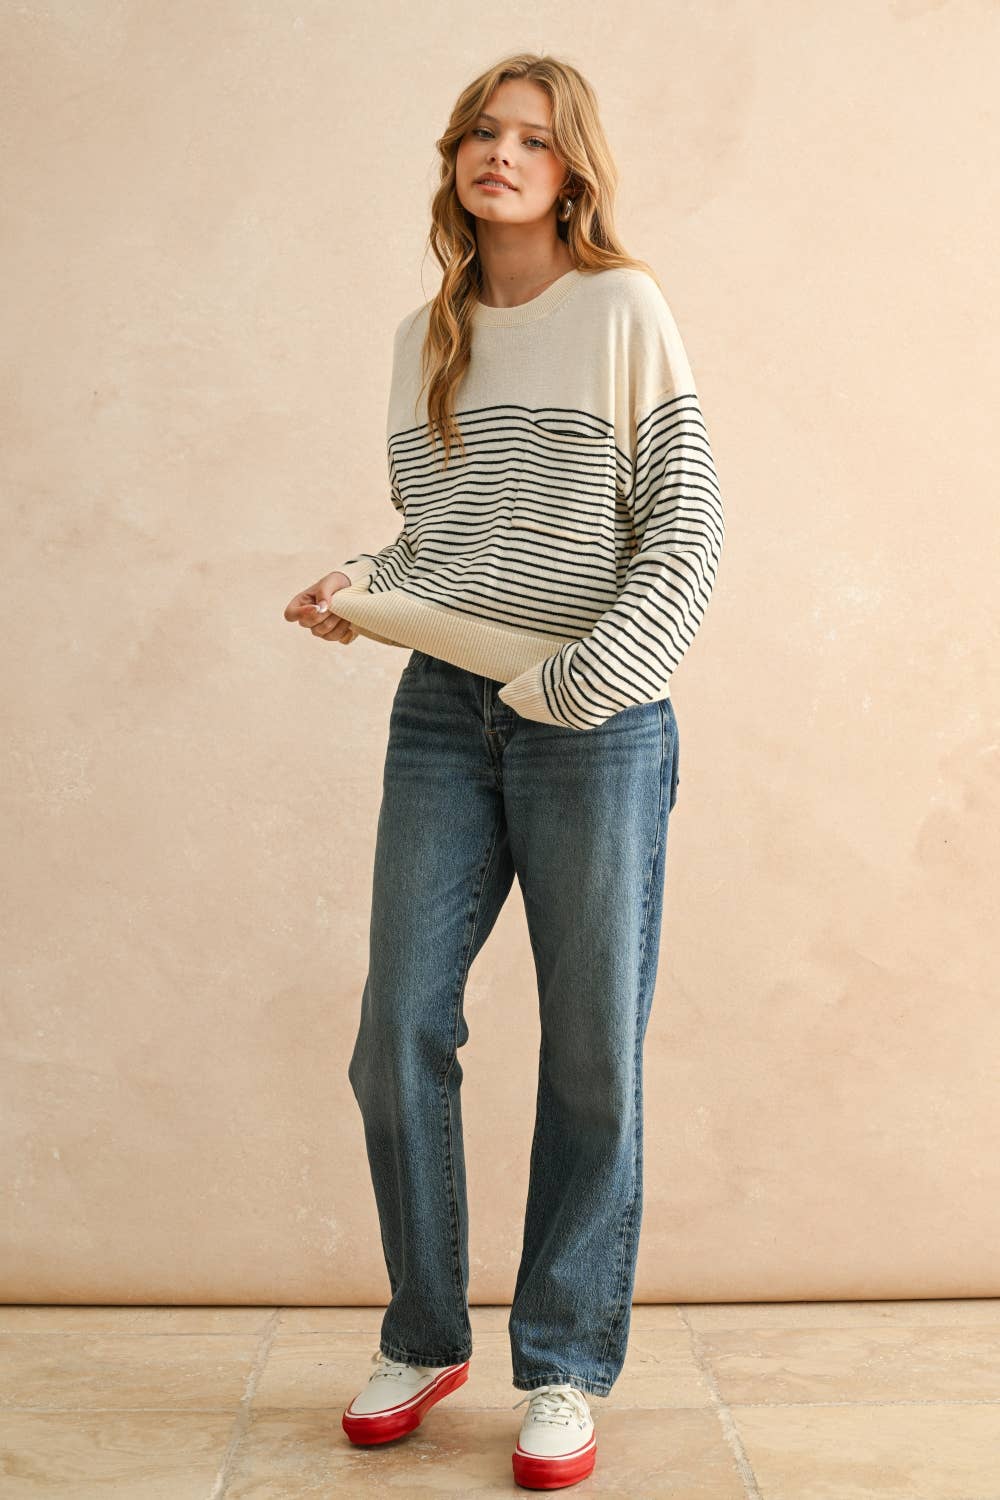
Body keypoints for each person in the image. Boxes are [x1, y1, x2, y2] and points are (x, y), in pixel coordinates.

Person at [284, 52, 724, 1492]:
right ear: (455, 161)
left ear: (571, 168)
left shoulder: (623, 310)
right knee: (396, 1030)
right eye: (483, 131)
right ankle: (425, 1335)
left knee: (592, 1049)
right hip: (442, 713)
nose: (503, 153)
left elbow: (686, 529)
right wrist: (362, 581)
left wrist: (583, 683)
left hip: (597, 719)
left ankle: (565, 1363)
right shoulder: (423, 338)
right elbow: (446, 542)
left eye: (534, 138)